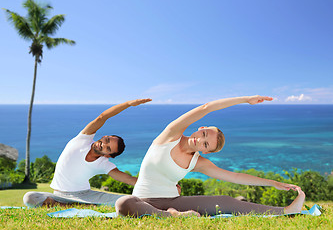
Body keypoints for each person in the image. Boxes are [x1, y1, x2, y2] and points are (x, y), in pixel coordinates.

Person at [115, 95, 306, 217]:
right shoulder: (170, 135)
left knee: (227, 201)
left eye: (205, 144)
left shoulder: (198, 162)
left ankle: (287, 211)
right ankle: (172, 216)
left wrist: (272, 182)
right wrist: (246, 99)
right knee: (123, 203)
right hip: (142, 201)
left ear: (205, 151)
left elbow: (236, 177)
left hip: (173, 200)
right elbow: (206, 107)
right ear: (201, 128)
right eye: (204, 134)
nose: (200, 140)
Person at [23, 98, 151, 208]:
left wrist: (157, 185)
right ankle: (74, 205)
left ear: (108, 155)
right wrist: (128, 104)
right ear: (104, 136)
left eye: (107, 148)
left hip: (86, 195)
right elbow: (103, 117)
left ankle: (79, 205)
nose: (102, 144)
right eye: (106, 140)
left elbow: (128, 179)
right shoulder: (83, 138)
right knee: (29, 197)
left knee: (128, 200)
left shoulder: (104, 164)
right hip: (58, 195)